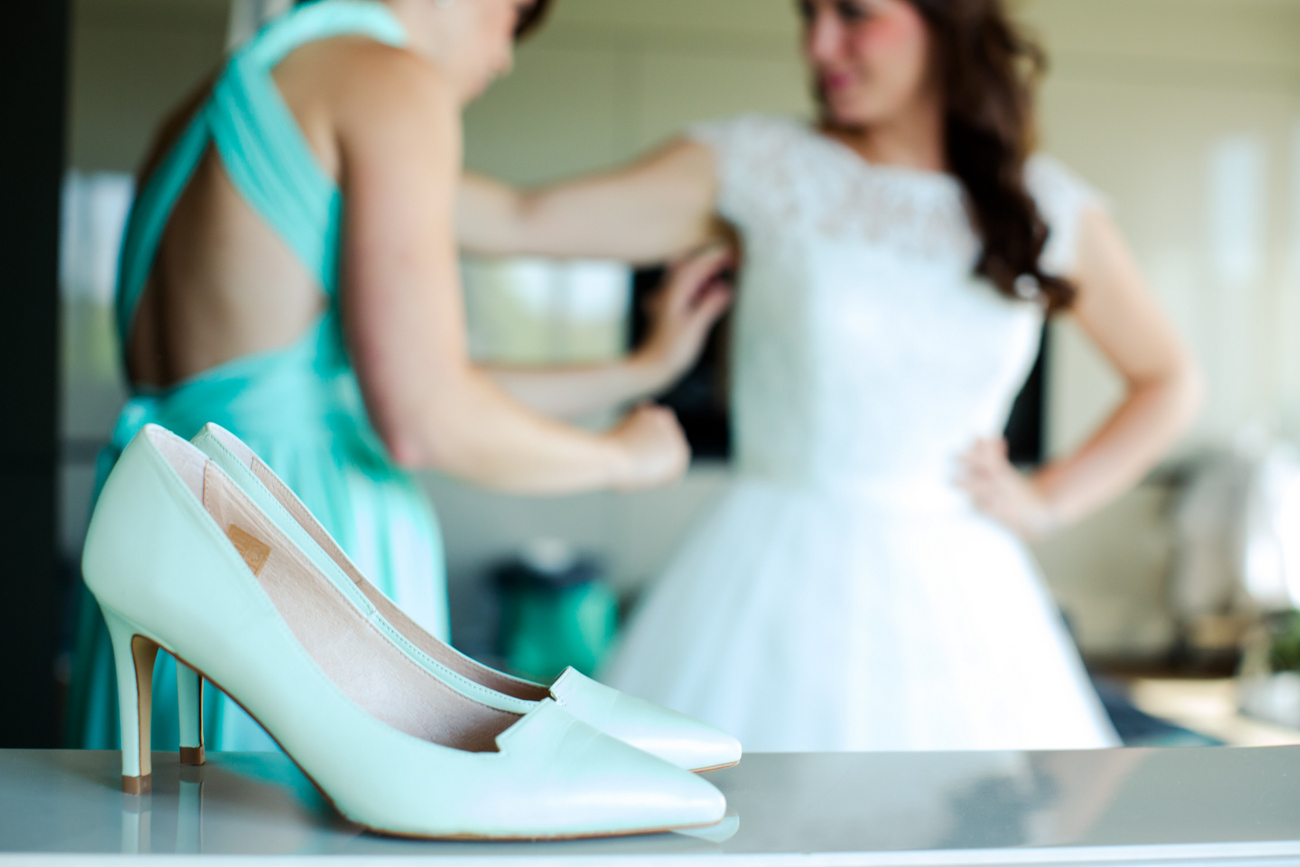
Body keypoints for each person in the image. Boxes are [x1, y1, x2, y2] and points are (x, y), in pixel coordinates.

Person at [456, 0, 1203, 750]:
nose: (818, 45)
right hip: (771, 572)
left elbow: (1168, 379)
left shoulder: (1045, 206)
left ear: (948, 23)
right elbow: (521, 219)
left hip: (967, 599)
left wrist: (1047, 499)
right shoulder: (762, 165)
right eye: (808, 14)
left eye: (853, 14)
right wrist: (359, 130)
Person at [66, 0, 726, 752]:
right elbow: (424, 414)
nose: (505, 56)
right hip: (293, 537)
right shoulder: (388, 81)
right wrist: (621, 457)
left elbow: (418, 346)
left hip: (166, 522)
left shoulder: (212, 103)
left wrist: (641, 367)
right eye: (517, 17)